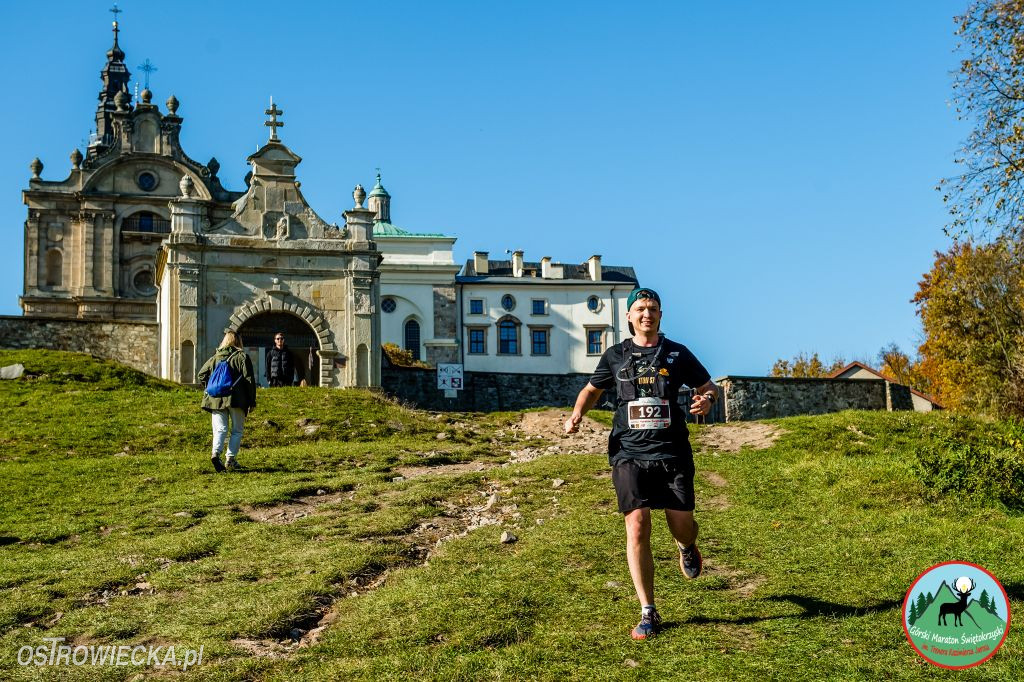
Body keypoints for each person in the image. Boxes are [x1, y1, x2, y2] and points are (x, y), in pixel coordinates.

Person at [564, 287, 718, 640]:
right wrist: (577, 414)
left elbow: (709, 387)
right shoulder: (615, 355)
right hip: (628, 452)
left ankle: (686, 546)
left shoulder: (677, 354)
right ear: (629, 317)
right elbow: (592, 390)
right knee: (636, 525)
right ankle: (648, 610)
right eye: (640, 309)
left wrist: (706, 400)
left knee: (681, 524)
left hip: (672, 451)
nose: (647, 314)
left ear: (660, 316)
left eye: (653, 308)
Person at [198, 331, 257, 472]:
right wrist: (251, 401)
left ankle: (215, 454)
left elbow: (201, 374)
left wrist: (213, 386)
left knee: (220, 429)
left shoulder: (215, 357)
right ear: (238, 342)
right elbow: (249, 380)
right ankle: (230, 459)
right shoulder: (242, 356)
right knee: (237, 430)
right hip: (236, 399)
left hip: (215, 399)